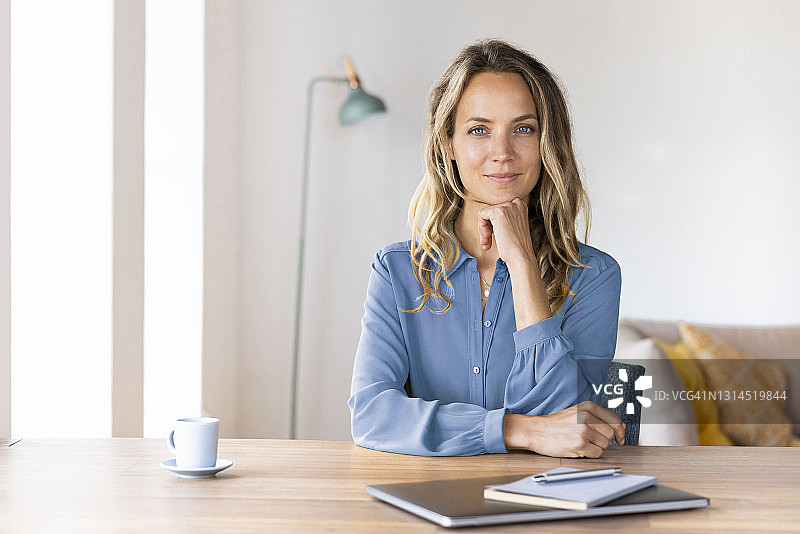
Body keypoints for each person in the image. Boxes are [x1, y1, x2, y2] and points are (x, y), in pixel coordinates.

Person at [348, 39, 624, 458]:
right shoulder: (397, 270)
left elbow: (572, 427)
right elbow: (373, 415)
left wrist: (522, 264)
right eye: (479, 130)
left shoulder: (593, 275)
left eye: (523, 129)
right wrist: (517, 430)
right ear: (448, 144)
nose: (503, 153)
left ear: (547, 143)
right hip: (425, 491)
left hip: (545, 494)